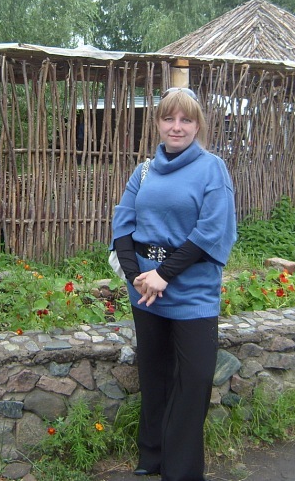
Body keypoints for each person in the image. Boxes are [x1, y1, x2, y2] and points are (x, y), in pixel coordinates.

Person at [110, 87, 237, 481]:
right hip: (145, 289)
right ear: (158, 123)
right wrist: (137, 277)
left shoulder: (212, 169)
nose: (176, 127)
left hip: (192, 290)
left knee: (195, 379)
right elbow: (122, 224)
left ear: (198, 125)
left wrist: (163, 275)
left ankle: (181, 472)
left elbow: (212, 230)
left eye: (186, 119)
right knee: (154, 373)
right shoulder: (144, 171)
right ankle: (152, 455)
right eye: (169, 118)